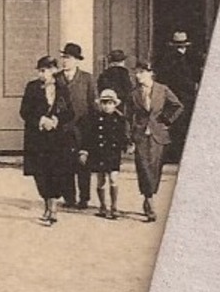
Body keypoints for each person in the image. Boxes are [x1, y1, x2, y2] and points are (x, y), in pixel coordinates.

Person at [127, 61, 185, 222]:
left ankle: (148, 196)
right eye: (136, 72)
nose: (137, 76)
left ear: (150, 73)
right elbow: (128, 115)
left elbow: (177, 106)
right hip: (140, 135)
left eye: (141, 72)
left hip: (158, 134)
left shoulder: (162, 89)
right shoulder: (133, 93)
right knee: (143, 167)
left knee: (155, 168)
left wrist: (166, 121)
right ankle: (150, 200)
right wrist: (130, 136)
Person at [21, 56, 75, 226]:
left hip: (56, 139)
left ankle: (52, 209)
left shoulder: (62, 89)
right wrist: (40, 120)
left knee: (55, 172)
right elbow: (24, 112)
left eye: (44, 70)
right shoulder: (32, 88)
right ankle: (47, 204)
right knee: (40, 174)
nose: (41, 74)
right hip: (37, 138)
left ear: (53, 71)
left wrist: (57, 120)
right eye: (39, 71)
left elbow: (70, 112)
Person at [78, 88, 130, 219]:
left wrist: (127, 144)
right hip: (99, 153)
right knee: (100, 180)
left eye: (110, 103)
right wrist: (84, 151)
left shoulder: (120, 119)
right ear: (100, 104)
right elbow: (88, 137)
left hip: (112, 153)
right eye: (104, 103)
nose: (107, 106)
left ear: (115, 104)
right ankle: (102, 206)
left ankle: (114, 207)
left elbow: (123, 135)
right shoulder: (95, 119)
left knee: (113, 178)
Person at [56, 42, 96, 209]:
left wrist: (92, 126)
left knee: (83, 163)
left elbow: (93, 103)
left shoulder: (87, 78)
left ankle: (84, 198)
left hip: (82, 128)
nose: (65, 61)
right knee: (65, 164)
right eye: (64, 57)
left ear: (77, 61)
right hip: (63, 128)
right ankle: (69, 198)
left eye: (69, 58)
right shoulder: (56, 78)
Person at [159, 30, 203, 159]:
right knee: (177, 124)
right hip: (176, 95)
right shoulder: (169, 58)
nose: (181, 46)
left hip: (189, 95)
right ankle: (175, 154)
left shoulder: (192, 57)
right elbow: (171, 77)